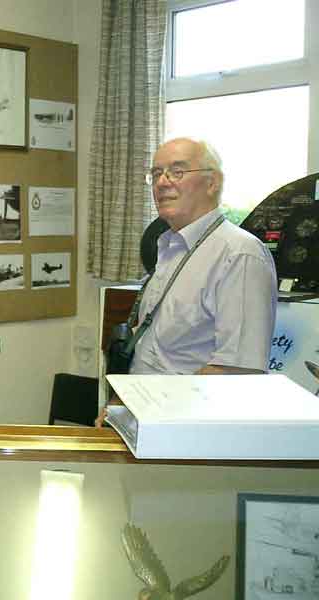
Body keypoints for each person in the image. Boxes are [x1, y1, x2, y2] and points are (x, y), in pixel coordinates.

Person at [96, 137, 277, 424]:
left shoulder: (240, 255)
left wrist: (149, 412)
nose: (162, 182)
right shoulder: (168, 249)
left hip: (185, 432)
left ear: (212, 183)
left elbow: (236, 370)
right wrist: (121, 405)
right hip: (145, 423)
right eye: (156, 174)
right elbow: (150, 349)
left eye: (177, 172)